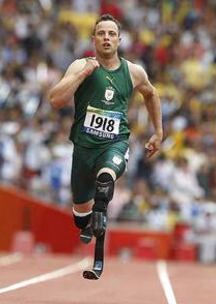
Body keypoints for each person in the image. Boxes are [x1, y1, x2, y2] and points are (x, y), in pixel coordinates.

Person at [48, 14, 163, 276]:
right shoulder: (80, 66)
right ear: (94, 39)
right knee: (80, 216)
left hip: (115, 144)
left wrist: (158, 132)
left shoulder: (133, 72)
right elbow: (55, 100)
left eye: (112, 34)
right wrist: (85, 74)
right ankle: (89, 221)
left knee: (105, 181)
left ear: (119, 40)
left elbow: (152, 93)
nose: (107, 38)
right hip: (83, 149)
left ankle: (98, 253)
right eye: (101, 33)